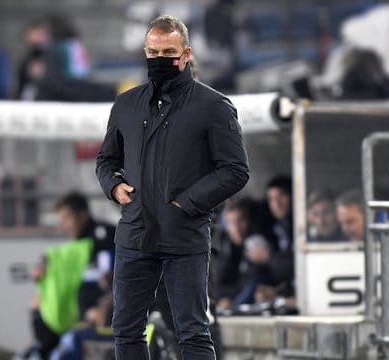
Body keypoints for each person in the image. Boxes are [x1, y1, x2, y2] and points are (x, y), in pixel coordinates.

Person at [96, 15, 249, 359]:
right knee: (125, 330)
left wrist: (189, 202)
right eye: (153, 52)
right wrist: (115, 187)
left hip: (185, 237)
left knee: (192, 331)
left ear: (185, 54)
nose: (160, 58)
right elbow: (106, 160)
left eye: (168, 51)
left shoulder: (213, 106)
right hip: (135, 234)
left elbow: (236, 170)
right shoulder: (126, 105)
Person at [28, 192, 115, 359]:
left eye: (66, 218)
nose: (63, 226)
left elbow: (115, 278)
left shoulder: (105, 236)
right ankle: (44, 350)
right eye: (60, 221)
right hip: (77, 318)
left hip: (103, 317)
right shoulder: (75, 248)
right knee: (37, 301)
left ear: (82, 215)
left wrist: (104, 304)